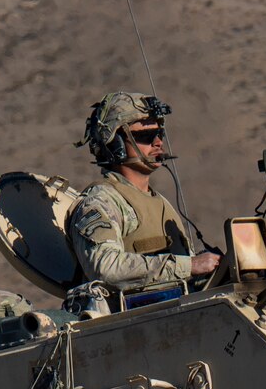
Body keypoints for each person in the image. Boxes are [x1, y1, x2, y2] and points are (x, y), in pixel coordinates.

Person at [68, 92, 220, 297]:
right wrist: (188, 266)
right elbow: (105, 267)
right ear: (116, 144)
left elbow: (188, 274)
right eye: (146, 137)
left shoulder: (160, 202)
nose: (158, 143)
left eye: (160, 134)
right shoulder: (101, 202)